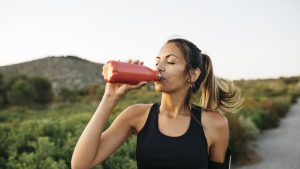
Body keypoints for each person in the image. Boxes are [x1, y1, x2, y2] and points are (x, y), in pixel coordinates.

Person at [71, 38, 243, 169]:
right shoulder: (136, 115)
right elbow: (80, 164)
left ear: (192, 75)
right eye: (157, 61)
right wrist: (110, 97)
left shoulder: (215, 123)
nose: (159, 67)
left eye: (170, 62)